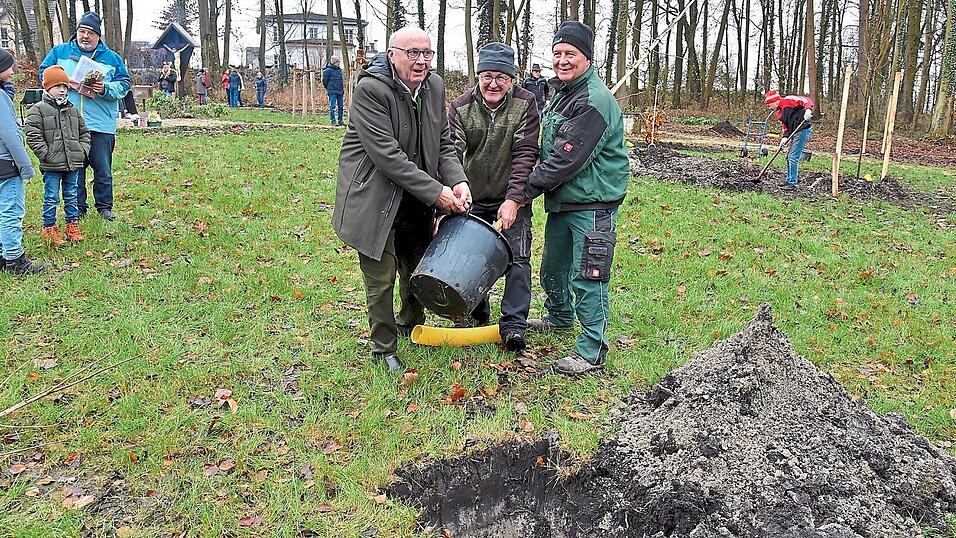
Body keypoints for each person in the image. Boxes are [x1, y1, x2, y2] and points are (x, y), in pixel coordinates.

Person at [333, 26, 473, 373]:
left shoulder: (434, 87)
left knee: (417, 262)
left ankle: (410, 320)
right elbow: (389, 157)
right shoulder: (370, 90)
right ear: (392, 53)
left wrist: (457, 181)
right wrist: (437, 193)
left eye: (427, 53)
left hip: (415, 196)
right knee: (381, 276)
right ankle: (384, 347)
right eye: (413, 53)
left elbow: (443, 144)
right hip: (374, 198)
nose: (422, 61)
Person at [522, 21, 630, 376]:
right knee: (553, 268)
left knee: (589, 276)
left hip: (592, 204)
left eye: (570, 54)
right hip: (565, 201)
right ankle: (559, 317)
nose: (562, 60)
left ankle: (592, 350)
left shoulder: (595, 100)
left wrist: (523, 191)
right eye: (557, 54)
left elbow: (566, 157)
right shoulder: (565, 94)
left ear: (586, 58)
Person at [447, 42, 540, 351]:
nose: (494, 83)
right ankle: (476, 312)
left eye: (501, 77)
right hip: (470, 196)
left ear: (512, 79)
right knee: (471, 257)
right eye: (487, 75)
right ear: (478, 76)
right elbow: (452, 152)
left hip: (510, 195)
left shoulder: (525, 104)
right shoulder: (461, 107)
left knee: (518, 258)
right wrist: (455, 189)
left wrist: (514, 199)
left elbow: (525, 154)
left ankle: (514, 325)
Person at [39, 11, 131, 222]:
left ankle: (105, 207)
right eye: (81, 31)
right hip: (68, 122)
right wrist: (62, 81)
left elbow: (125, 84)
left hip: (101, 123)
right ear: (76, 33)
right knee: (75, 169)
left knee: (103, 169)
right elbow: (44, 73)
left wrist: (105, 88)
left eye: (90, 33)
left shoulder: (112, 58)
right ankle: (78, 207)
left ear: (98, 36)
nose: (85, 36)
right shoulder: (59, 52)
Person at [25, 65, 91, 247]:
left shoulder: (72, 110)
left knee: (71, 196)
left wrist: (82, 150)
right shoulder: (37, 110)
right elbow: (33, 135)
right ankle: (49, 229)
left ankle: (72, 226)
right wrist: (46, 155)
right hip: (52, 165)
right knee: (51, 197)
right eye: (57, 86)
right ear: (47, 87)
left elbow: (84, 132)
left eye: (65, 86)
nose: (62, 90)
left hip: (73, 163)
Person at [0, 49, 44, 275]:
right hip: (7, 164)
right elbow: (9, 134)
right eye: (9, 66)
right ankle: (15, 259)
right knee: (11, 211)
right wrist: (25, 166)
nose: (13, 70)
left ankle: (2, 255)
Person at [765, 90, 813, 190]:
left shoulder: (788, 100)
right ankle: (789, 180)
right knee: (788, 157)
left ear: (775, 101)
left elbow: (806, 100)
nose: (769, 107)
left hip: (802, 130)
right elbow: (785, 127)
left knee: (793, 157)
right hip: (794, 133)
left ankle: (792, 183)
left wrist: (808, 110)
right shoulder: (780, 113)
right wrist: (784, 138)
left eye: (769, 105)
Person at [322, 56, 345, 125]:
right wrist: (329, 88)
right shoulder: (327, 71)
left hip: (340, 91)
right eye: (338, 62)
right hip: (332, 91)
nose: (339, 63)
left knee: (341, 106)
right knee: (332, 107)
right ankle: (333, 121)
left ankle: (340, 121)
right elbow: (325, 82)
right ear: (335, 62)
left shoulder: (339, 70)